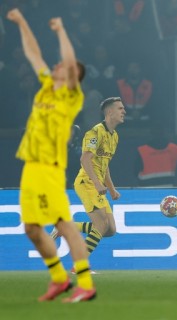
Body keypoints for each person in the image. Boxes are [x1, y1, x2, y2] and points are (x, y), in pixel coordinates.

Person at [8, 8, 96, 302]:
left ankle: (85, 283)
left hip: (49, 168)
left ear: (74, 77)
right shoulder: (47, 87)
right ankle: (59, 279)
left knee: (63, 223)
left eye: (62, 66)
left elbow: (70, 63)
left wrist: (60, 31)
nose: (57, 65)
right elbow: (34, 54)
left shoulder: (71, 96)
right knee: (32, 228)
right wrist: (22, 23)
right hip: (30, 166)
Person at [52, 97, 125, 259]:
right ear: (109, 112)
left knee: (110, 229)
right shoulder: (95, 132)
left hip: (97, 184)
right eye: (120, 108)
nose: (124, 111)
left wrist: (112, 189)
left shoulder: (114, 137)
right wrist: (98, 184)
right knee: (101, 225)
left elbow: (104, 166)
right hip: (87, 182)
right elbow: (84, 160)